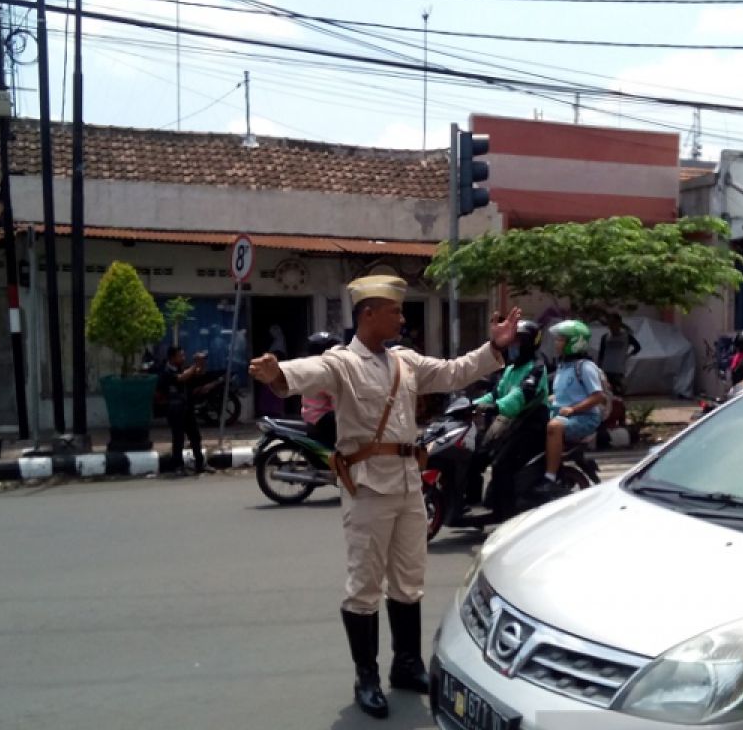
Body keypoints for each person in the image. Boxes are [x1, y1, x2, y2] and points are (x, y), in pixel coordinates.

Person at [249, 276, 519, 720]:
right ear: (368, 314)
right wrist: (277, 373)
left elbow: (453, 372)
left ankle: (406, 664)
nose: (402, 317)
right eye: (394, 310)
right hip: (368, 488)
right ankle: (366, 676)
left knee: (409, 580)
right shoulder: (342, 363)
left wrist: (493, 348)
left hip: (409, 483)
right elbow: (305, 373)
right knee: (364, 586)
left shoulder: (405, 362)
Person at [474, 320, 550, 515]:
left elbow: (520, 397)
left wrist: (495, 407)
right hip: (512, 423)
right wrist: (471, 405)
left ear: (531, 343)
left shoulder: (536, 368)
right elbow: (496, 394)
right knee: (478, 453)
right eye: (513, 340)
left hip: (531, 425)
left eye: (520, 340)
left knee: (501, 464)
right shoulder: (511, 369)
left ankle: (507, 514)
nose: (514, 345)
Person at [535, 319, 606, 498]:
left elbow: (598, 396)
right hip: (564, 415)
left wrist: (573, 409)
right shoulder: (563, 366)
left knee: (554, 427)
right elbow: (561, 396)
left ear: (574, 343)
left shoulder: (585, 367)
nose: (556, 343)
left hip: (584, 418)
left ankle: (549, 478)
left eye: (561, 340)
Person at [158, 347, 216, 476]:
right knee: (178, 438)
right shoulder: (166, 371)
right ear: (172, 358)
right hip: (174, 409)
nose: (183, 358)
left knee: (195, 436)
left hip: (187, 407)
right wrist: (195, 365)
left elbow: (199, 373)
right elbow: (181, 378)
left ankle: (200, 464)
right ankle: (177, 465)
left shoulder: (183, 368)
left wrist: (201, 363)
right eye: (180, 356)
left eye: (184, 355)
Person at [301, 331, 340, 448]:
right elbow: (335, 395)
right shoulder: (322, 370)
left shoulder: (310, 366)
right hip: (321, 416)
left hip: (311, 414)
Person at [597, 313, 641, 395]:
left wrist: (629, 355)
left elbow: (637, 347)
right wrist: (599, 368)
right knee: (607, 393)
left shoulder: (626, 336)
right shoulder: (605, 337)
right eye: (609, 324)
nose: (611, 326)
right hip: (606, 368)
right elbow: (601, 353)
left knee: (618, 392)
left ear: (618, 323)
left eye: (613, 323)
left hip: (618, 369)